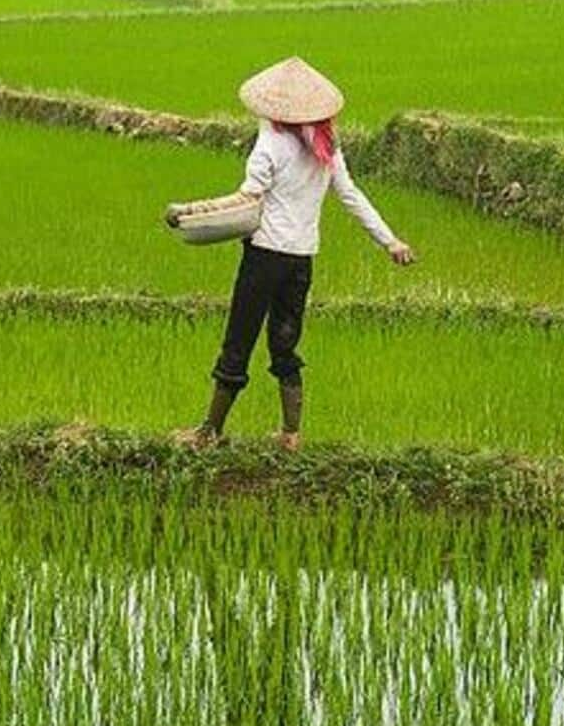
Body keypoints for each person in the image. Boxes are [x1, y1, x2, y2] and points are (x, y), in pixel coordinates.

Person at [176, 57, 415, 451]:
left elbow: (247, 197)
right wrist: (390, 241)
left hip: (264, 257)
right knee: (284, 343)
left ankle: (209, 433)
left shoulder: (270, 142)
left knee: (239, 341)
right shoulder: (327, 146)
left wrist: (190, 212)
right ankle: (291, 435)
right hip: (301, 259)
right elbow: (351, 196)